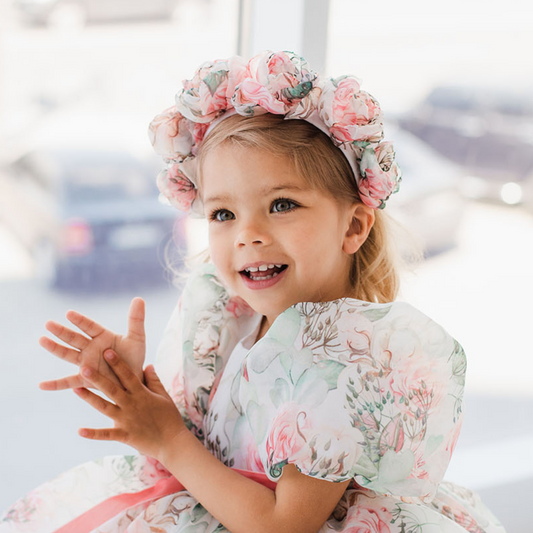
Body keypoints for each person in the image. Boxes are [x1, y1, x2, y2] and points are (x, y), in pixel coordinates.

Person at [0, 50, 507, 533]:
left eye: (282, 204)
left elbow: (285, 524)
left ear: (353, 226)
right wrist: (139, 394)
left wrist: (169, 441)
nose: (247, 234)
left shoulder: (341, 359)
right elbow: (212, 447)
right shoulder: (229, 315)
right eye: (223, 214)